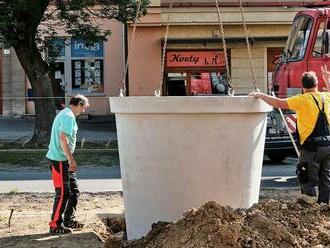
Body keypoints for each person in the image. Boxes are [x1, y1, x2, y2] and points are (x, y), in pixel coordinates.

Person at [250, 67, 330, 204]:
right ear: (316, 85)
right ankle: (324, 206)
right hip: (328, 145)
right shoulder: (326, 96)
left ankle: (309, 207)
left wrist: (260, 95)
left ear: (302, 86)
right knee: (326, 177)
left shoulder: (301, 99)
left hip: (311, 147)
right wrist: (327, 79)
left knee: (305, 175)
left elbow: (278, 103)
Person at [46, 94, 90, 234]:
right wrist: (71, 159)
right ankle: (55, 225)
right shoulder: (69, 116)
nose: (84, 111)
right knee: (63, 193)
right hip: (59, 160)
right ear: (78, 104)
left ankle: (69, 220)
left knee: (74, 191)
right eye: (84, 108)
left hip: (63, 160)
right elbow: (63, 139)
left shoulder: (65, 113)